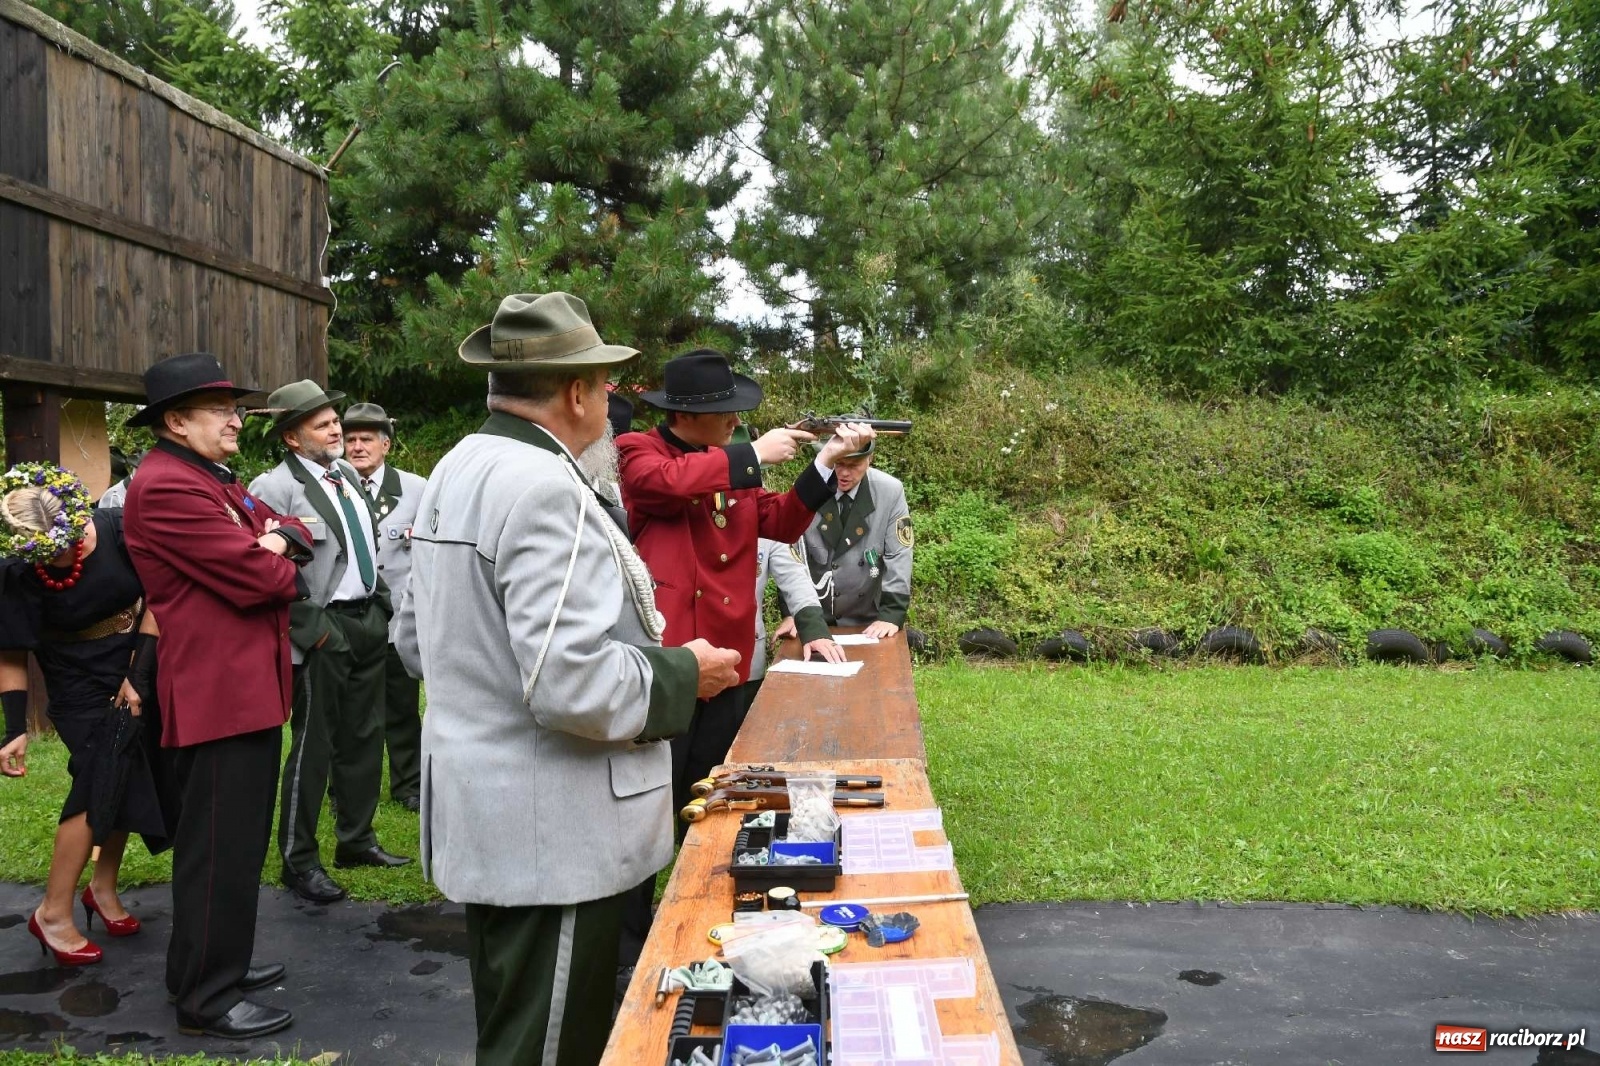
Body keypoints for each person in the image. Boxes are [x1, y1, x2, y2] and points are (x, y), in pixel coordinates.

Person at [394, 291, 740, 1066]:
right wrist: (684, 672)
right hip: (552, 838)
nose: (611, 400)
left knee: (514, 1034)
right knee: (549, 1048)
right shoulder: (546, 488)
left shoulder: (455, 467)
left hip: (488, 817)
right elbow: (571, 683)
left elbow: (417, 640)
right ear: (578, 393)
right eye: (606, 384)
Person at [122, 351, 313, 1040]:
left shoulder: (207, 477)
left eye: (235, 409)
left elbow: (295, 529)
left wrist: (274, 539)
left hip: (242, 688)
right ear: (176, 420)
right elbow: (262, 579)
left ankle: (206, 966)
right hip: (218, 693)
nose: (236, 420)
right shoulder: (168, 486)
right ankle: (207, 997)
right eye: (221, 410)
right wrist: (270, 549)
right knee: (219, 849)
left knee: (234, 841)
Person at [616, 348, 869, 812]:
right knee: (656, 797)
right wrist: (752, 453)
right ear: (685, 414)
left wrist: (827, 461)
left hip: (728, 653)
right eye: (724, 411)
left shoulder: (728, 463)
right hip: (671, 656)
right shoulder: (638, 449)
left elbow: (781, 522)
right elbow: (666, 482)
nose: (735, 420)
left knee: (716, 791)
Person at [0, 463, 168, 967]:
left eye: (68, 541)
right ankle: (53, 912)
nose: (61, 554)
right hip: (76, 682)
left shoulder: (116, 528)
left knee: (128, 774)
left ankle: (102, 887)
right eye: (46, 551)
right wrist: (14, 729)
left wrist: (137, 675)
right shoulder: (17, 573)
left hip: (135, 660)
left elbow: (158, 599)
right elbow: (11, 654)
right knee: (98, 776)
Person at [250, 382, 409, 905]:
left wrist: (381, 603)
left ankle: (356, 841)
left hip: (368, 620)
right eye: (321, 425)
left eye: (334, 420)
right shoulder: (275, 487)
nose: (336, 430)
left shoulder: (346, 475)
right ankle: (299, 860)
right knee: (314, 745)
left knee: (365, 735)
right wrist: (313, 628)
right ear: (292, 438)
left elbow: (364, 547)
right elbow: (263, 566)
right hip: (322, 629)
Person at [342, 402, 428, 813]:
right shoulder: (334, 487)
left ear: (386, 445)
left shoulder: (416, 489)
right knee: (352, 711)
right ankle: (345, 789)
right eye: (350, 439)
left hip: (399, 621)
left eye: (366, 439)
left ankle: (409, 784)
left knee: (402, 707)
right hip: (351, 621)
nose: (357, 447)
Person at [777, 436, 913, 639]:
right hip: (816, 617)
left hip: (868, 619)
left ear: (870, 459)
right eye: (838, 463)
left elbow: (899, 555)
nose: (844, 473)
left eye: (854, 465)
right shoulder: (809, 487)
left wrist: (891, 615)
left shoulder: (890, 491)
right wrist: (792, 614)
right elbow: (791, 555)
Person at [744, 537, 829, 711]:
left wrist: (813, 629)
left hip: (745, 661)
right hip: (690, 658)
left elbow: (794, 576)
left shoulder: (763, 524)